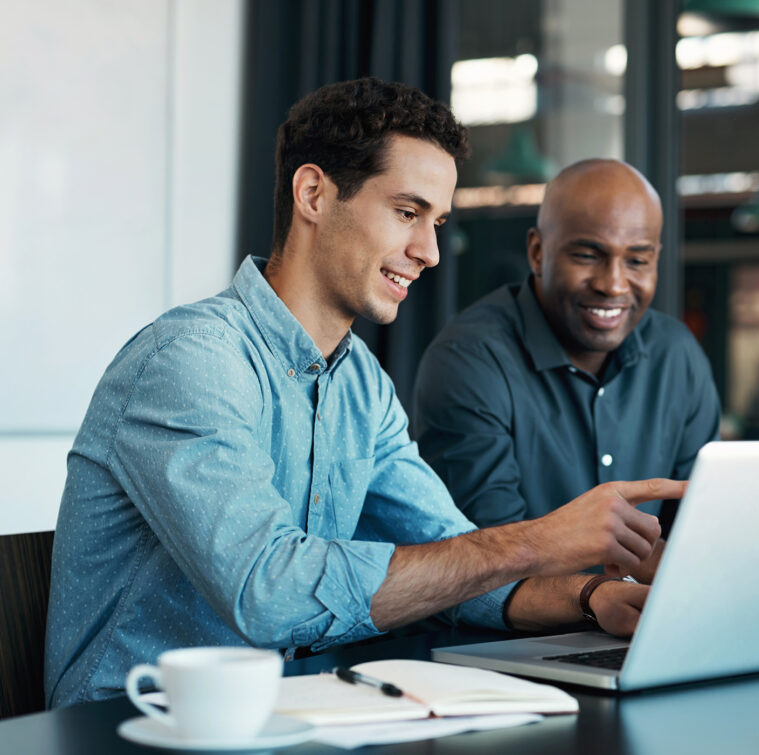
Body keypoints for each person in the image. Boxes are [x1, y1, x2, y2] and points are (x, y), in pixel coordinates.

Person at [44, 80, 682, 708]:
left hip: (292, 718)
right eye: (408, 213)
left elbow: (457, 567)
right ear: (315, 194)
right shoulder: (191, 361)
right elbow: (271, 595)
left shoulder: (361, 385)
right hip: (135, 728)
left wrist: (591, 598)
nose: (428, 251)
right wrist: (539, 539)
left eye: (437, 222)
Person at [412, 159, 720, 577]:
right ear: (538, 252)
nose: (613, 284)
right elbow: (489, 556)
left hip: (648, 626)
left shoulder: (676, 354)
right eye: (589, 255)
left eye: (637, 261)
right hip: (504, 640)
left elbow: (704, 531)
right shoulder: (470, 359)